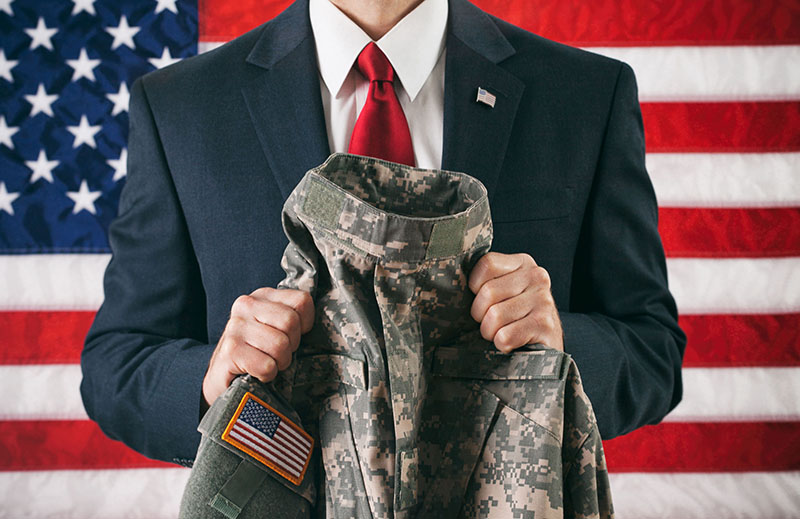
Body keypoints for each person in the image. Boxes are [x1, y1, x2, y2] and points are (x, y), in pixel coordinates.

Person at [81, 0, 685, 466]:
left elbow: (653, 353)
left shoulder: (584, 95)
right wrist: (214, 382)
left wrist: (559, 350)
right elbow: (116, 366)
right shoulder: (182, 106)